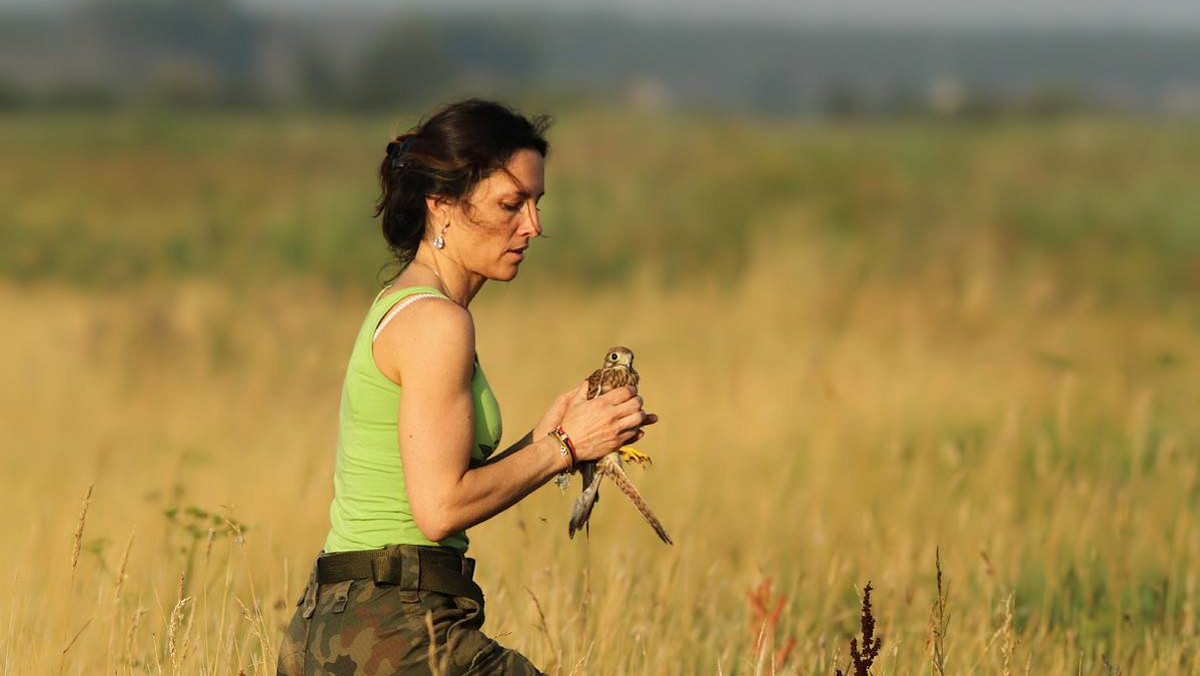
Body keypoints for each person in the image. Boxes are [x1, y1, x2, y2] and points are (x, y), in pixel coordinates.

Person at [276, 98, 658, 675]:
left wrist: (546, 438)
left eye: (536, 203)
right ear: (443, 206)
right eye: (512, 204)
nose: (534, 225)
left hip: (346, 621)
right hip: (395, 627)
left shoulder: (406, 306)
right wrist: (567, 447)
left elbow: (434, 488)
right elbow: (440, 509)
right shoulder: (438, 323)